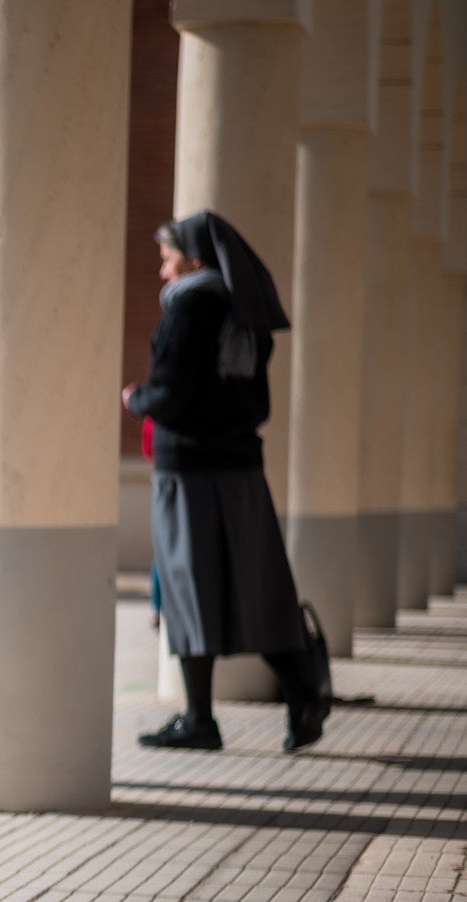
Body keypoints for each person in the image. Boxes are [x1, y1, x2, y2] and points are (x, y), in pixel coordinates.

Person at [123, 210, 327, 753]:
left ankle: (199, 719)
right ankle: (304, 692)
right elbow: (256, 404)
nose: (164, 274)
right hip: (239, 471)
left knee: (190, 593)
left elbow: (169, 396)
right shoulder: (245, 311)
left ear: (192, 259)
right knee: (254, 588)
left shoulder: (188, 307)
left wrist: (134, 398)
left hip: (188, 474)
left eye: (167, 260)